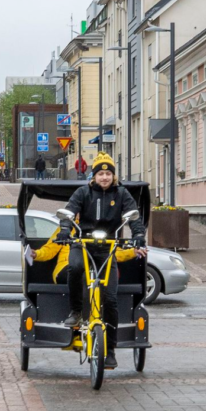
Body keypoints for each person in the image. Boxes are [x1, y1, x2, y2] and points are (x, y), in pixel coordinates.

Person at [56, 153, 146, 368]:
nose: (104, 177)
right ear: (94, 176)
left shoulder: (122, 193)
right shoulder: (82, 192)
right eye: (100, 174)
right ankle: (76, 311)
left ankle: (111, 350)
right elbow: (69, 212)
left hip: (108, 247)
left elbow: (134, 216)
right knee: (75, 266)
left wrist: (139, 236)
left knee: (111, 299)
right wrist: (65, 230)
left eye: (108, 173)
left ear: (113, 176)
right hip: (83, 243)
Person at [32, 223, 147, 284]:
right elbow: (49, 249)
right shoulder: (67, 230)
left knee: (106, 274)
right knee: (82, 274)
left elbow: (113, 253)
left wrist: (133, 251)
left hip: (94, 268)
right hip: (67, 267)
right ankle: (77, 312)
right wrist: (36, 254)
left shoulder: (99, 230)